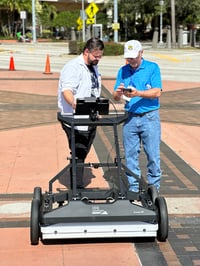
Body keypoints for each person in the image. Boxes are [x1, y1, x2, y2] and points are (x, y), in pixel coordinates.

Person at [113, 40, 162, 193]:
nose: (131, 61)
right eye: (128, 58)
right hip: (130, 117)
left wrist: (138, 93)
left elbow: (157, 92)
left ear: (141, 53)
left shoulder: (152, 68)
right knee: (130, 154)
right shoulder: (123, 70)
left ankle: (154, 187)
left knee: (152, 154)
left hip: (149, 116)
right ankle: (133, 187)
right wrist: (118, 93)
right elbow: (115, 96)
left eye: (134, 57)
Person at [58, 37, 104, 188]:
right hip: (74, 117)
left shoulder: (93, 66)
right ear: (86, 52)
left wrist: (97, 109)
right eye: (95, 56)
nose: (98, 59)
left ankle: (77, 182)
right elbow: (67, 90)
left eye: (100, 56)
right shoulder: (73, 67)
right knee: (78, 150)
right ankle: (76, 187)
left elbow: (93, 89)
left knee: (82, 151)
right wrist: (74, 103)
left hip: (90, 116)